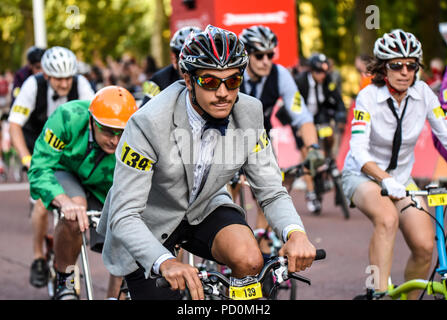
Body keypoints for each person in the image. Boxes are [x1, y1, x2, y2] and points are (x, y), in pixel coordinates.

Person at [97, 25, 317, 300]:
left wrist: (295, 233)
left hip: (204, 207)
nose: (223, 92)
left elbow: (271, 191)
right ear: (188, 80)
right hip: (147, 220)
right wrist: (164, 261)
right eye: (210, 82)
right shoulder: (147, 123)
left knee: (249, 259)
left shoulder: (250, 113)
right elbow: (124, 213)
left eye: (233, 81)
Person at [341, 29, 447, 299]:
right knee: (387, 218)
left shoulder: (424, 93)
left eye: (411, 65)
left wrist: (395, 180)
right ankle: (378, 292)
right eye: (396, 65)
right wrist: (384, 178)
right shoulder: (368, 97)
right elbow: (358, 150)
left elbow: (446, 135)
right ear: (382, 69)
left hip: (401, 179)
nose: (404, 71)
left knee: (425, 246)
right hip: (363, 176)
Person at [27, 85, 138, 299]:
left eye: (121, 133)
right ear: (91, 121)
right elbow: (39, 167)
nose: (115, 141)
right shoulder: (67, 117)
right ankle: (65, 279)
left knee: (125, 231)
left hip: (107, 184)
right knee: (75, 213)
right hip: (68, 171)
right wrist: (63, 201)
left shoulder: (139, 129)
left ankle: (115, 296)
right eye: (107, 131)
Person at [8, 46, 95, 289]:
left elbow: (98, 118)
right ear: (46, 75)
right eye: (58, 78)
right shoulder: (32, 86)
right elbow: (15, 125)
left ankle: (67, 271)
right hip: (41, 150)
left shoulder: (82, 86)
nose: (65, 84)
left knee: (77, 208)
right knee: (40, 201)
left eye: (69, 77)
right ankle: (37, 257)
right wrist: (27, 159)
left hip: (70, 154)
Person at [239, 25, 324, 222]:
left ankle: (264, 246)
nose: (266, 61)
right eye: (259, 55)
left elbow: (301, 116)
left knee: (269, 199)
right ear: (246, 55)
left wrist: (312, 148)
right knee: (228, 199)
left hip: (261, 142)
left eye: (270, 54)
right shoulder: (233, 74)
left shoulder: (280, 75)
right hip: (228, 139)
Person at [294, 53, 347, 212]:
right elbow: (292, 105)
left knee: (330, 134)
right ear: (311, 70)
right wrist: (297, 125)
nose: (322, 76)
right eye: (318, 72)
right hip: (301, 119)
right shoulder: (300, 81)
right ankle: (311, 193)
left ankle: (329, 159)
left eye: (325, 72)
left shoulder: (328, 80)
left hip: (319, 116)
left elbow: (338, 101)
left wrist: (340, 118)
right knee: (306, 154)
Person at [140, 26, 202, 106]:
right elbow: (144, 112)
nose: (194, 67)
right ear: (174, 60)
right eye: (187, 61)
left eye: (200, 60)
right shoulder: (156, 81)